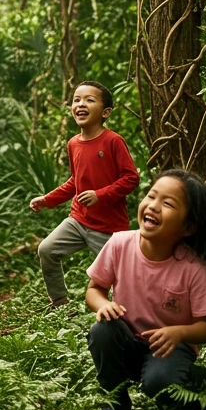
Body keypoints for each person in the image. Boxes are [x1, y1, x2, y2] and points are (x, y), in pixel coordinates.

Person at [84, 169, 206, 410]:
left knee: (160, 383)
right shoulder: (119, 244)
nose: (153, 206)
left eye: (167, 203)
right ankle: (115, 403)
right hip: (126, 340)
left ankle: (182, 401)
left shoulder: (191, 267)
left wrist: (178, 333)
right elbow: (93, 290)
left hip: (169, 349)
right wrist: (103, 304)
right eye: (151, 196)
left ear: (187, 227)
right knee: (102, 331)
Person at [29, 81, 139, 307]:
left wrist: (101, 194)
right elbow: (75, 182)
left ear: (106, 112)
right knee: (47, 250)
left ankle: (126, 313)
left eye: (90, 100)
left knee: (120, 278)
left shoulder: (113, 141)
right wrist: (47, 200)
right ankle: (60, 304)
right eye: (77, 100)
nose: (81, 104)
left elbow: (131, 178)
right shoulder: (73, 144)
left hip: (108, 228)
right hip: (78, 221)